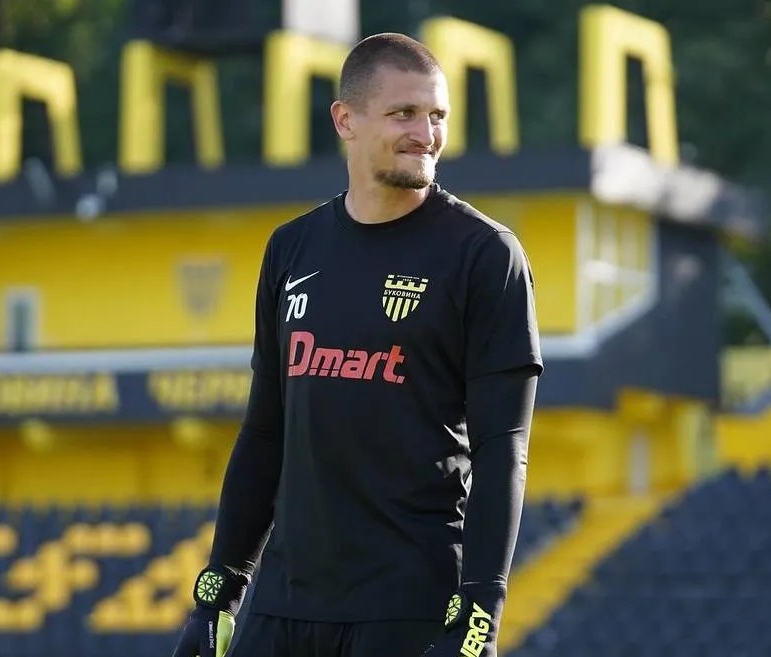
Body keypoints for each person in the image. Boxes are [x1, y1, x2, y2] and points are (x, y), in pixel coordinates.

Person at [171, 31, 543, 657]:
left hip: (408, 607)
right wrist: (217, 593)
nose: (426, 134)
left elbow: (503, 447)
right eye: (404, 113)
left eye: (437, 115)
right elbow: (265, 432)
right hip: (285, 604)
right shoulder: (291, 249)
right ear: (345, 120)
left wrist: (482, 612)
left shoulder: (486, 256)